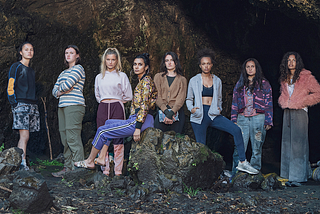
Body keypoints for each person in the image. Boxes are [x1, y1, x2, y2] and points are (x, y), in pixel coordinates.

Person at [74, 53, 157, 171]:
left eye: (140, 65)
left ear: (146, 67)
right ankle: (102, 157)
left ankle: (90, 161)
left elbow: (144, 106)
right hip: (137, 118)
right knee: (108, 123)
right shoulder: (141, 81)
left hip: (140, 120)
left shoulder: (147, 82)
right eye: (135, 64)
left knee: (102, 130)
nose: (136, 67)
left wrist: (138, 127)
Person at [186, 48, 258, 175]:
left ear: (212, 65)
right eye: (203, 64)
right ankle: (202, 175)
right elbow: (188, 99)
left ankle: (242, 162)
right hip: (199, 116)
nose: (206, 66)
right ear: (200, 65)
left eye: (208, 63)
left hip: (213, 114)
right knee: (201, 148)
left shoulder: (217, 80)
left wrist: (218, 108)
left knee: (236, 130)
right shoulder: (194, 80)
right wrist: (192, 109)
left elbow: (219, 98)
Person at [278, 52, 320, 186]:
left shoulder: (306, 76)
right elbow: (283, 94)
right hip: (287, 112)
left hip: (300, 112)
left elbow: (318, 93)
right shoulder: (284, 78)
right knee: (286, 142)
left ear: (298, 62)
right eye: (288, 60)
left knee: (298, 145)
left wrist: (303, 101)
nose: (291, 63)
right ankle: (286, 175)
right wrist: (283, 101)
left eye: (293, 60)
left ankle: (297, 177)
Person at [231, 58, 273, 175]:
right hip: (242, 117)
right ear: (245, 69)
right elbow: (234, 102)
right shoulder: (240, 84)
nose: (250, 69)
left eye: (252, 66)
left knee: (257, 147)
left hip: (258, 117)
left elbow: (268, 102)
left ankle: (255, 173)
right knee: (239, 147)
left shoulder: (264, 83)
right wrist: (233, 119)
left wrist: (268, 120)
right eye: (247, 67)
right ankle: (235, 174)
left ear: (256, 68)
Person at [95, 48, 133, 177]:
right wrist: (106, 101)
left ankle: (118, 171)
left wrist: (117, 101)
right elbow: (97, 95)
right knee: (102, 136)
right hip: (103, 106)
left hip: (117, 106)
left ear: (117, 61)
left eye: (113, 60)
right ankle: (105, 169)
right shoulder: (99, 77)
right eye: (108, 59)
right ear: (104, 60)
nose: (110, 62)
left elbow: (128, 96)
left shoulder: (121, 76)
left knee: (118, 138)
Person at [52, 45, 86, 177]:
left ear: (77, 55)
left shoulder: (79, 69)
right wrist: (62, 90)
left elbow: (67, 84)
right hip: (62, 106)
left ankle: (78, 169)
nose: (68, 55)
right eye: (66, 53)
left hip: (75, 105)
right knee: (64, 138)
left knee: (73, 137)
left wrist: (62, 89)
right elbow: (54, 92)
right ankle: (68, 168)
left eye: (71, 53)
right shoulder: (63, 73)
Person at [7, 41, 40, 170]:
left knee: (27, 135)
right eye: (26, 49)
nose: (29, 52)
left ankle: (21, 160)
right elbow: (11, 85)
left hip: (32, 105)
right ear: (21, 52)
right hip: (20, 104)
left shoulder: (31, 71)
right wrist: (13, 102)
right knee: (24, 135)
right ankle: (22, 163)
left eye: (31, 49)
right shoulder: (16, 67)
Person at [154, 52, 187, 133]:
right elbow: (156, 96)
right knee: (157, 138)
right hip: (162, 111)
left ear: (176, 62)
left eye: (171, 60)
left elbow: (181, 98)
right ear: (164, 63)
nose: (169, 62)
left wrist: (171, 113)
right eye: (167, 60)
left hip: (177, 113)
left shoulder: (182, 79)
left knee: (175, 140)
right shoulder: (158, 77)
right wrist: (166, 111)